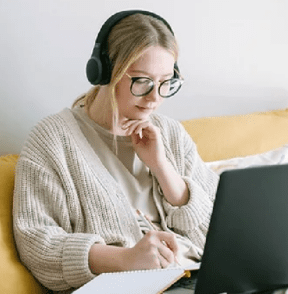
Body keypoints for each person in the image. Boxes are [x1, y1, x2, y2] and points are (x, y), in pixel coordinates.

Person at [12, 10, 219, 292]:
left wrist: (162, 168)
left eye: (165, 82)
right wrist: (125, 259)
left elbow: (220, 233)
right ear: (106, 71)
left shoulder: (170, 133)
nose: (155, 98)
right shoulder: (52, 140)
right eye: (142, 81)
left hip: (201, 277)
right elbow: (37, 243)